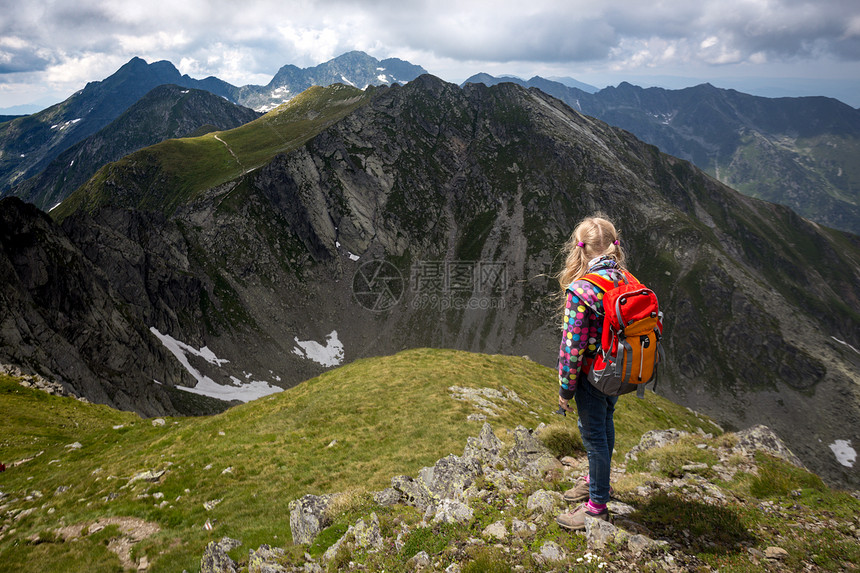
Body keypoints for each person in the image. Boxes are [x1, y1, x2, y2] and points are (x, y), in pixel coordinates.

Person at [554, 213, 627, 531]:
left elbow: (572, 349)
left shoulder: (582, 290)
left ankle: (596, 507)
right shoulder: (625, 279)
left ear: (579, 248)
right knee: (606, 426)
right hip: (618, 371)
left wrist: (565, 391)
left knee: (594, 438)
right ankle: (599, 483)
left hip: (592, 376)